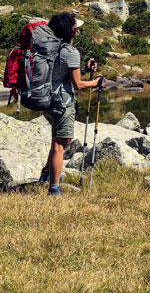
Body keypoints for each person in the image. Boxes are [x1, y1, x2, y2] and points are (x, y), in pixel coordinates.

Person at [39, 11, 102, 195]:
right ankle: (54, 190)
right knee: (60, 146)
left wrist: (83, 69)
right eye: (77, 28)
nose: (78, 31)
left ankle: (47, 174)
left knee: (56, 142)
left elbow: (61, 72)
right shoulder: (71, 52)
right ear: (73, 31)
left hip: (47, 101)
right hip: (62, 102)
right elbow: (78, 84)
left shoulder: (49, 48)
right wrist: (95, 83)